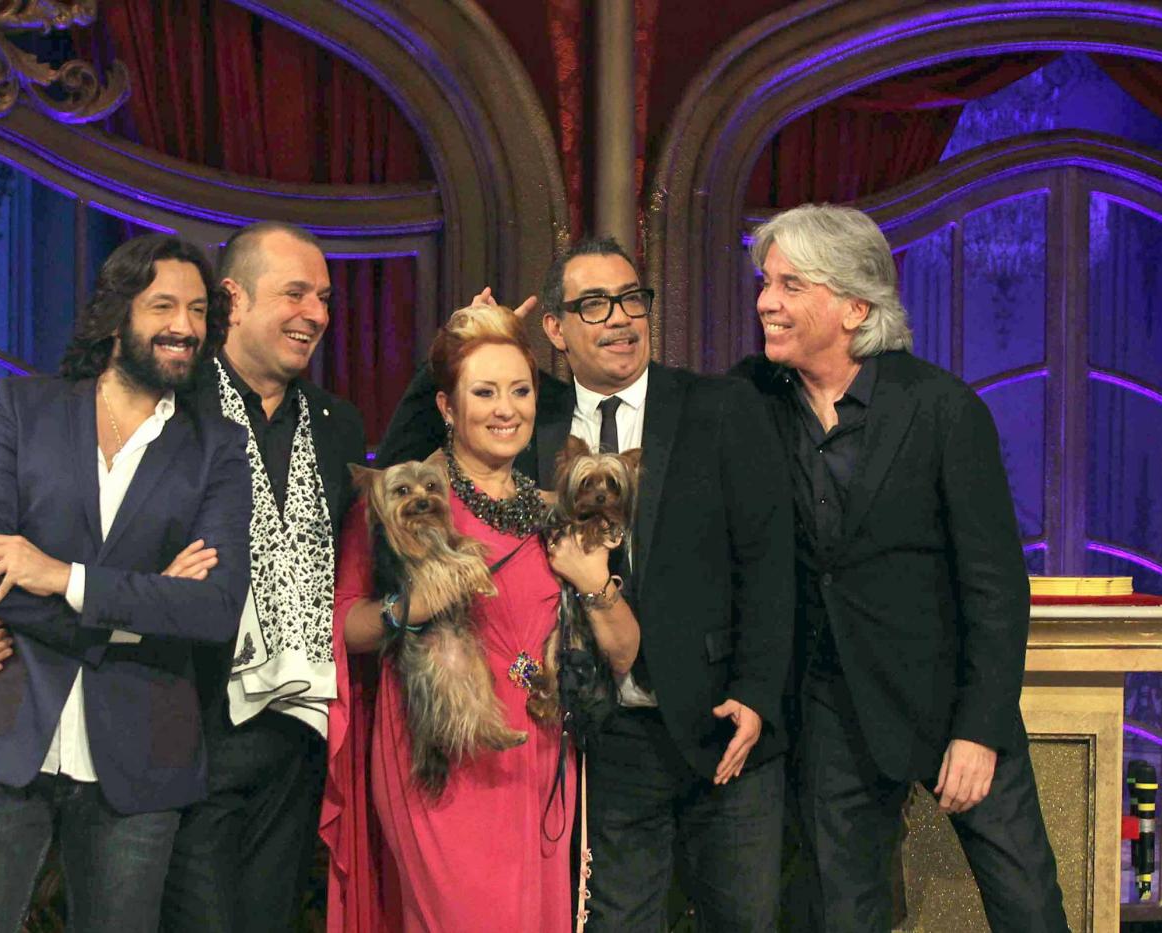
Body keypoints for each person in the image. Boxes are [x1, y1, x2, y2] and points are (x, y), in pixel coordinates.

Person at [375, 240, 794, 931]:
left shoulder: (721, 406)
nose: (620, 318)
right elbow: (397, 472)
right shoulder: (524, 415)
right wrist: (453, 350)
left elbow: (769, 563)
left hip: (721, 725)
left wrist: (756, 692)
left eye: (632, 299)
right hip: (601, 737)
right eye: (594, 305)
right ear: (555, 328)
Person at [732, 203, 1067, 932]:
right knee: (845, 913)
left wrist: (979, 730)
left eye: (790, 285)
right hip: (830, 708)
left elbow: (995, 587)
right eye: (766, 282)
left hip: (948, 697)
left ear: (854, 307)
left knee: (1028, 907)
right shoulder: (751, 399)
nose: (766, 301)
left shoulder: (942, 408)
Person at [0, 234, 251, 933]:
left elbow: (215, 609)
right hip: (1, 737)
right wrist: (145, 603)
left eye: (198, 310)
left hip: (142, 761)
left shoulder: (217, 449)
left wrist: (60, 576)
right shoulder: (23, 408)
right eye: (163, 305)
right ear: (116, 315)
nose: (185, 326)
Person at [322, 304, 640, 931]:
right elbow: (344, 626)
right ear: (446, 406)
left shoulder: (557, 511)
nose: (506, 409)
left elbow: (625, 653)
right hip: (440, 756)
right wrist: (414, 604)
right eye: (485, 392)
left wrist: (593, 582)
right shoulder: (401, 499)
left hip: (538, 755)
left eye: (520, 390)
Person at [160, 221, 367, 932]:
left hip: (296, 739)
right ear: (233, 300)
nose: (316, 313)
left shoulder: (338, 424)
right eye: (295, 293)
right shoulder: (175, 405)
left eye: (325, 298)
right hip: (192, 729)